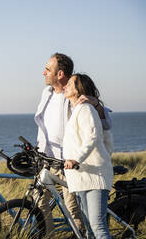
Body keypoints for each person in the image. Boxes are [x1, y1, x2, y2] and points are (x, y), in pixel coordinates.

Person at [34, 53, 112, 236]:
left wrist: (97, 105)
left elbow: (104, 125)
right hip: (46, 159)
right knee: (39, 202)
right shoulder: (47, 94)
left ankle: (81, 235)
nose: (43, 72)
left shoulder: (77, 96)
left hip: (68, 162)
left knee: (74, 211)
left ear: (60, 74)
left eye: (47, 69)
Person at [63, 73, 113, 239]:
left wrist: (76, 159)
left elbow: (93, 136)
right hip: (81, 176)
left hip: (95, 174)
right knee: (89, 231)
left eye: (70, 84)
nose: (65, 86)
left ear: (79, 89)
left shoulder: (85, 108)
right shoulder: (75, 110)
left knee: (98, 226)